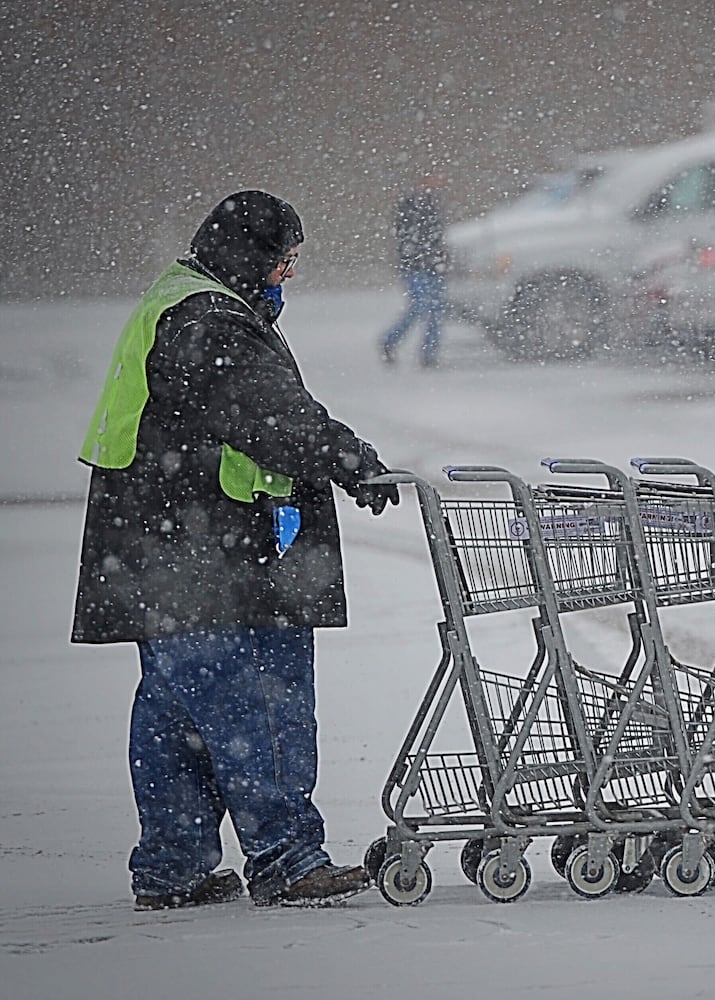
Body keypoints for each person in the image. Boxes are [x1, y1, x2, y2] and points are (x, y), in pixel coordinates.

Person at [72, 190, 401, 911]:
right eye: (283, 259)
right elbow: (271, 416)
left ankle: (173, 867)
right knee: (260, 701)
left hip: (160, 548)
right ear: (249, 256)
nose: (287, 275)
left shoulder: (182, 297)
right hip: (214, 550)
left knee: (178, 714)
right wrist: (347, 458)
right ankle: (286, 861)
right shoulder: (211, 320)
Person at [379, 174, 449, 367]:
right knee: (420, 307)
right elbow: (406, 236)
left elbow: (436, 236)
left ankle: (429, 354)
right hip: (416, 265)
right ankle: (390, 341)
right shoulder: (410, 205)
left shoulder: (432, 204)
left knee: (435, 309)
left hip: (432, 265)